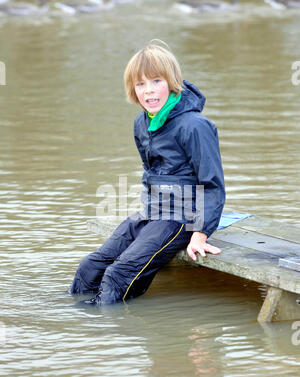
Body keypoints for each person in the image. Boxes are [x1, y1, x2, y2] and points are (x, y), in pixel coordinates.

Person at [70, 40, 226, 306]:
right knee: (90, 268)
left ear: (172, 82)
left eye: (156, 81)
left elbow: (213, 186)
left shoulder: (195, 126)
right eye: (140, 84)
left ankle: (104, 333)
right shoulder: (141, 123)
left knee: (116, 276)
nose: (149, 91)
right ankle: (71, 327)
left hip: (182, 218)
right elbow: (150, 172)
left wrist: (200, 233)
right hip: (152, 212)